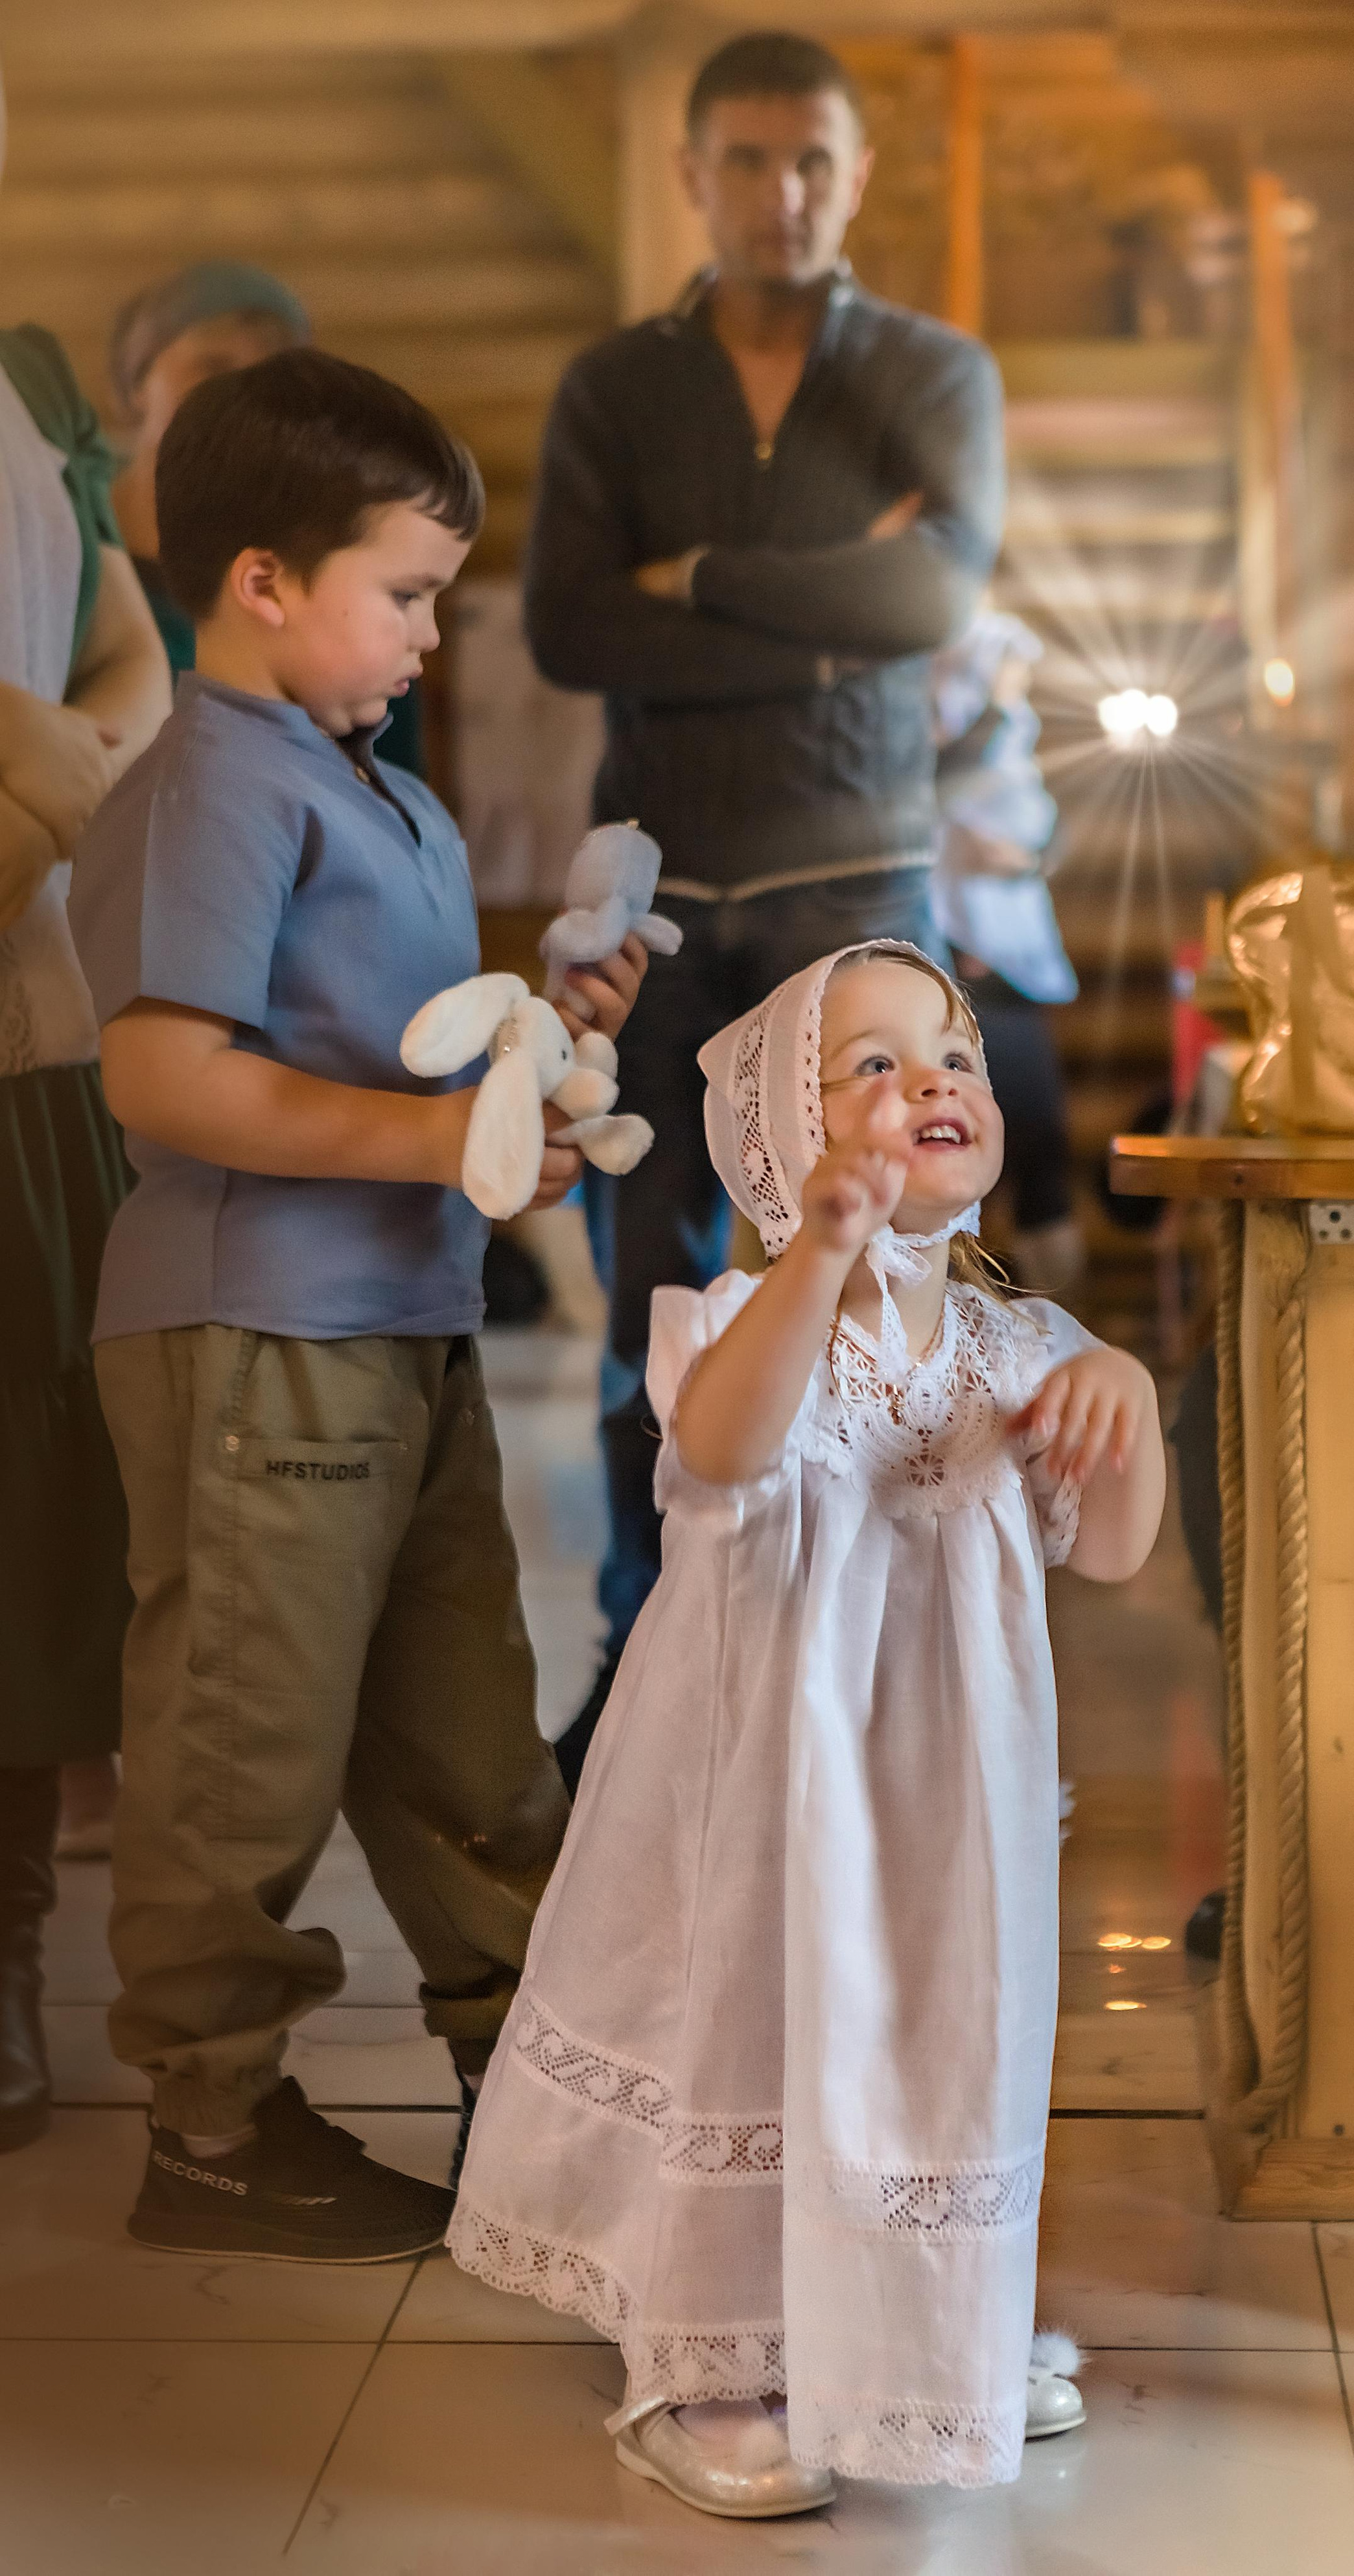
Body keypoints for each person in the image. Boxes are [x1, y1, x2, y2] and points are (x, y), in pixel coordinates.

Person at [450, 942, 1164, 2517]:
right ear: (780, 1142)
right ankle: (703, 2355)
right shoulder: (736, 1312)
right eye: (871, 1062)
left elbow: (1108, 1547)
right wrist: (817, 1259)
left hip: (941, 1801)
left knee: (929, 2035)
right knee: (765, 2026)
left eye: (956, 1054)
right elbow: (718, 1448)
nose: (936, 1079)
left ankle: (924, 2325)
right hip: (769, 1786)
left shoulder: (1016, 1341)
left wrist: (1126, 1395)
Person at [67, 349, 647, 2260]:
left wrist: (536, 1075)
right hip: (260, 1336)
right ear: (258, 580)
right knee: (247, 1753)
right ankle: (215, 2128)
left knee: (468, 1739)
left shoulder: (365, 789)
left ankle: (536, 2078)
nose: (425, 633)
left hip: (398, 1333)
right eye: (402, 592)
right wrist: (432, 1153)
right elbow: (163, 1075)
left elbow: (413, 1067)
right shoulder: (211, 785)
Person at [524, 30, 1005, 1777]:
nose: (781, 193)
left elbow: (935, 594)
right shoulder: (613, 389)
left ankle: (873, 1677)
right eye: (746, 160)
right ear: (692, 173)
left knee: (877, 1286)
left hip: (854, 882)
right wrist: (825, 605)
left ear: (856, 174)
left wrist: (706, 580)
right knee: (650, 1299)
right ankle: (650, 1671)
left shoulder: (934, 373)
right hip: (661, 894)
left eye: (813, 161)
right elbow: (575, 628)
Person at [0, 311, 172, 2150]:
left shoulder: (34, 380)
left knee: (32, 1539)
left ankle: (8, 1959)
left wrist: (54, 762)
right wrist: (66, 776)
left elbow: (134, 648)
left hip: (31, 1053)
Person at [107, 259, 425, 774]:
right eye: (211, 367)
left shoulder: (342, 578)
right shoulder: (58, 548)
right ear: (137, 384)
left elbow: (390, 795)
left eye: (276, 375)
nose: (245, 397)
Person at [928, 608, 1086, 1292]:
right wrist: (994, 704)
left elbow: (1046, 820)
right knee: (948, 1157)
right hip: (948, 957)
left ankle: (1057, 1320)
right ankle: (955, 1329)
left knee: (1039, 1143)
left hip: (1011, 963)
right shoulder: (929, 707)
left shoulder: (1013, 718)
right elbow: (939, 791)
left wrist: (1028, 860)